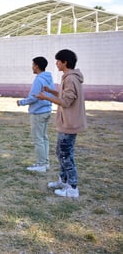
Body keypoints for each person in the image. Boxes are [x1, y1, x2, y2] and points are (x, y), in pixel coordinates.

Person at [35, 49, 87, 198]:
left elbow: (66, 101)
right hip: (67, 122)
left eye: (58, 61)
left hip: (70, 123)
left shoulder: (70, 78)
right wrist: (50, 91)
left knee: (65, 154)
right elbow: (65, 96)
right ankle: (63, 180)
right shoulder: (68, 77)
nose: (56, 64)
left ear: (65, 62)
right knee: (61, 152)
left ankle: (72, 187)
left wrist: (45, 97)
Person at [17, 57, 54, 172]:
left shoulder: (38, 79)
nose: (32, 67)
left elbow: (33, 97)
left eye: (33, 65)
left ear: (37, 66)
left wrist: (21, 102)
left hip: (38, 112)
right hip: (47, 110)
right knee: (43, 138)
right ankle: (45, 162)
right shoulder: (49, 78)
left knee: (38, 139)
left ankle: (41, 164)